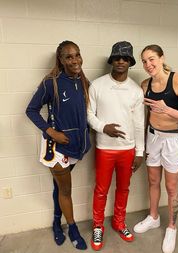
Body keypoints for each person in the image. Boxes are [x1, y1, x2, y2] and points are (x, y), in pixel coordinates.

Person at [26, 40, 91, 250]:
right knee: (65, 190)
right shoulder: (51, 82)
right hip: (57, 148)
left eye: (77, 55)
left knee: (59, 187)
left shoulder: (82, 80)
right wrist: (51, 131)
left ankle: (56, 221)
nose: (75, 60)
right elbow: (31, 110)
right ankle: (71, 228)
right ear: (61, 60)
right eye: (69, 57)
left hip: (77, 146)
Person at [133, 44, 178, 253]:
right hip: (153, 137)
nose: (148, 64)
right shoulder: (145, 85)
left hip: (175, 140)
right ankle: (153, 217)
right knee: (153, 180)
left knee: (171, 187)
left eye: (152, 59)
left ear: (162, 58)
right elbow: (141, 116)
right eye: (144, 61)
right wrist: (141, 144)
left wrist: (166, 109)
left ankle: (171, 227)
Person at [87, 41, 145, 251]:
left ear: (130, 62)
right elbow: (89, 115)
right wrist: (103, 127)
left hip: (127, 150)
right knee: (101, 189)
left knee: (124, 188)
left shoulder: (135, 90)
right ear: (112, 60)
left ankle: (119, 222)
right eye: (117, 57)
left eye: (125, 58)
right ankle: (98, 225)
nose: (121, 61)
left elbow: (139, 123)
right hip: (105, 148)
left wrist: (139, 152)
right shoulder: (97, 85)